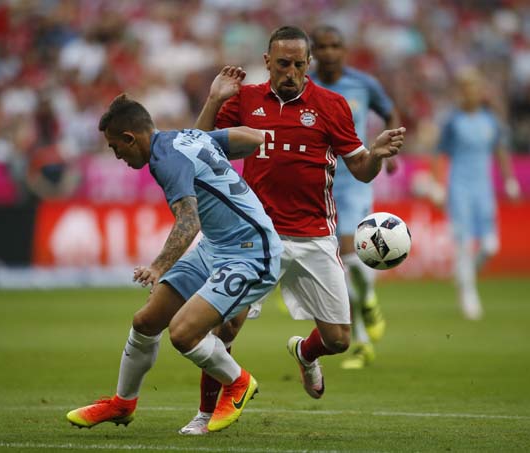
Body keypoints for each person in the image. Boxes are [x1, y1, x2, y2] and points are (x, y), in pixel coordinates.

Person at [179, 25, 406, 435]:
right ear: (267, 62)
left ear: (308, 64)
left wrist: (376, 154)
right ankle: (205, 411)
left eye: (298, 64)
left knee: (338, 339)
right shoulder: (246, 100)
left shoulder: (331, 104)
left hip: (315, 235)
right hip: (256, 237)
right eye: (282, 63)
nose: (290, 71)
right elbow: (199, 144)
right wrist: (214, 99)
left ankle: (304, 353)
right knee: (225, 326)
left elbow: (361, 169)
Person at [65, 94, 283, 433]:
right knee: (146, 321)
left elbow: (188, 220)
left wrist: (158, 266)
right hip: (216, 247)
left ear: (129, 138)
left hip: (250, 252)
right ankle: (123, 403)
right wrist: (259, 143)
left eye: (114, 147)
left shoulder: (166, 160)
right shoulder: (185, 137)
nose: (116, 155)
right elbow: (251, 138)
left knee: (183, 334)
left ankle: (238, 382)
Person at [310, 25, 401, 370]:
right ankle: (363, 335)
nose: (330, 52)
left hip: (356, 179)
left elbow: (390, 111)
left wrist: (388, 152)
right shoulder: (306, 86)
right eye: (323, 46)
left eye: (336, 45)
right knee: (339, 265)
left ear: (344, 49)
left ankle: (366, 309)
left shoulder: (363, 84)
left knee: (350, 255)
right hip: (320, 183)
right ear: (313, 52)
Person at [430, 68, 520, 320]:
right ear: (460, 92)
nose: (470, 93)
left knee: (490, 245)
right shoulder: (452, 121)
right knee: (463, 243)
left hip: (484, 188)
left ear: (480, 91)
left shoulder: (491, 121)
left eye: (473, 87)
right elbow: (439, 152)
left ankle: (465, 274)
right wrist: (437, 184)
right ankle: (468, 293)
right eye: (465, 88)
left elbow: (500, 151)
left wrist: (510, 180)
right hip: (459, 186)